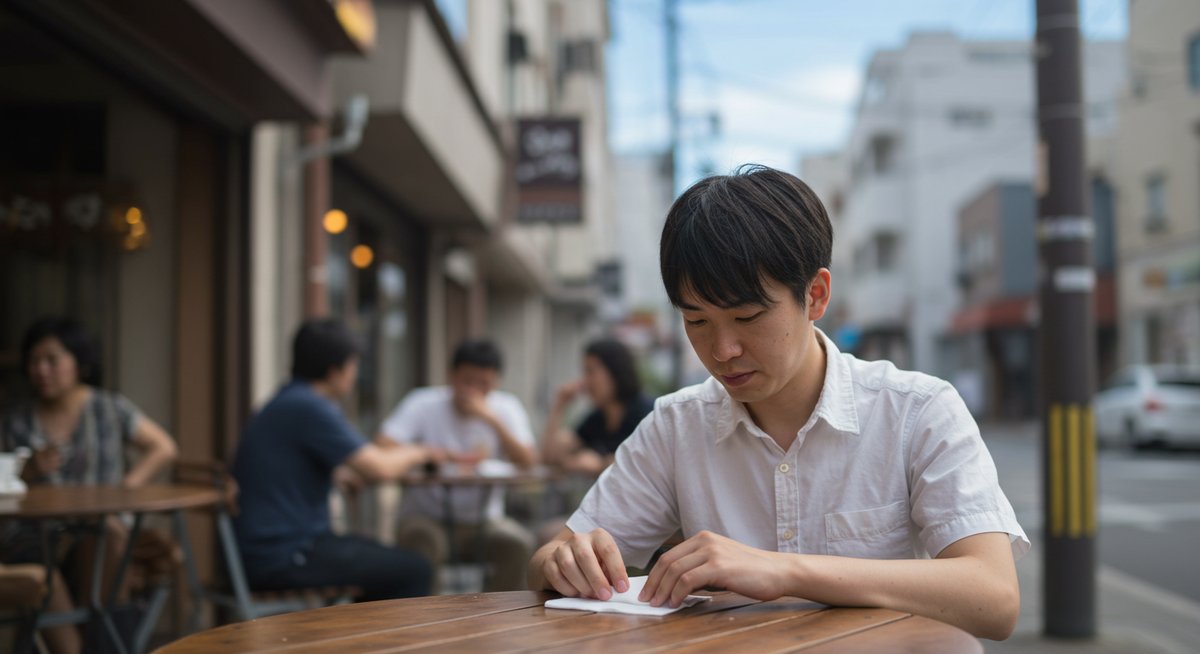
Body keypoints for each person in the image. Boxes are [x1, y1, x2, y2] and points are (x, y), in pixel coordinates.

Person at [528, 165, 1028, 640]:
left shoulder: (916, 411)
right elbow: (550, 557)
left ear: (815, 294)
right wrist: (563, 561)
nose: (722, 351)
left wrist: (783, 571)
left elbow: (995, 598)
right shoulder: (677, 426)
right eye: (697, 322)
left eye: (747, 318)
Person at [0, 317, 179, 654]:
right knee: (45, 567)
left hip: (96, 525)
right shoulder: (17, 421)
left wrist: (125, 487)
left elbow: (164, 447)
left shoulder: (108, 408)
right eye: (35, 361)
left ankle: (95, 641)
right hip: (34, 532)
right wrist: (27, 472)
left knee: (110, 536)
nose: (41, 370)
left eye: (52, 360)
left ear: (79, 362)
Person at [231, 318, 433, 601]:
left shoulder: (286, 400)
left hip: (269, 548)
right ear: (334, 371)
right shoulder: (310, 407)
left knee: (382, 558)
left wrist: (336, 476)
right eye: (353, 365)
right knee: (414, 569)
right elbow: (380, 468)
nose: (354, 374)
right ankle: (372, 644)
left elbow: (285, 467)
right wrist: (422, 451)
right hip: (284, 553)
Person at [377, 339, 537, 592]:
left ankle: (498, 621)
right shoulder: (423, 403)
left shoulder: (505, 408)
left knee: (518, 544)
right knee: (422, 540)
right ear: (451, 376)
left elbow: (529, 461)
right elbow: (383, 445)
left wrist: (491, 419)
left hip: (485, 520)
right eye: (467, 381)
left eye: (484, 384)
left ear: (496, 382)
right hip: (427, 515)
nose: (473, 391)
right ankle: (432, 622)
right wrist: (426, 454)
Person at [541, 338, 655, 476]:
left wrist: (601, 464)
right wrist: (559, 405)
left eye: (591, 372)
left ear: (615, 371)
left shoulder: (648, 413)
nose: (585, 382)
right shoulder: (597, 418)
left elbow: (651, 463)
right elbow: (549, 457)